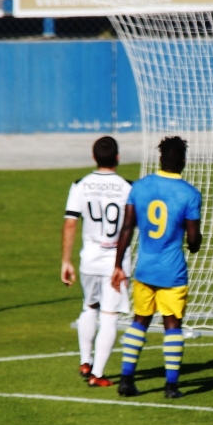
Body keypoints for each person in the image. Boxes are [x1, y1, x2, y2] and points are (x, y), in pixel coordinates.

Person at [111, 136, 202, 399]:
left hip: (145, 269)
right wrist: (194, 245)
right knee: (172, 324)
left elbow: (127, 227)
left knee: (140, 321)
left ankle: (126, 380)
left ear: (160, 158)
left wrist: (118, 265)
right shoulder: (189, 193)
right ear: (183, 161)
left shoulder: (140, 187)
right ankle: (171, 386)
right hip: (172, 271)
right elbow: (193, 238)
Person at [61, 136, 133, 388]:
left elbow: (70, 222)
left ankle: (85, 361)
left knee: (89, 307)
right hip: (116, 261)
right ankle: (98, 375)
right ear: (117, 158)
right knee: (110, 316)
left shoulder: (80, 184)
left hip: (89, 259)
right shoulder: (127, 187)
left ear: (94, 157)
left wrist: (65, 261)